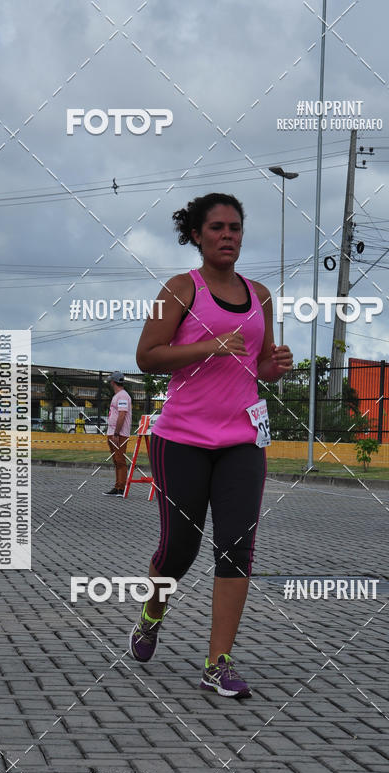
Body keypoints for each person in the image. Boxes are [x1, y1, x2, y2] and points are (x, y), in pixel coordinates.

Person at [132, 192, 293, 698]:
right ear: (197, 235)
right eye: (218, 227)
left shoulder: (260, 294)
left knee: (236, 546)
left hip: (242, 439)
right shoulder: (180, 288)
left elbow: (256, 366)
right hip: (181, 438)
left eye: (235, 228)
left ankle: (217, 663)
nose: (228, 235)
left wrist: (275, 366)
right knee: (179, 548)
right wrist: (209, 345)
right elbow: (147, 356)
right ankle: (152, 613)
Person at [104, 371, 132, 496]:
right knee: (116, 461)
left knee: (120, 460)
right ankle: (117, 486)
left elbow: (122, 415)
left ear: (113, 382)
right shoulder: (118, 396)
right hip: (113, 432)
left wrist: (116, 433)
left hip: (119, 434)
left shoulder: (123, 396)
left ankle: (121, 488)